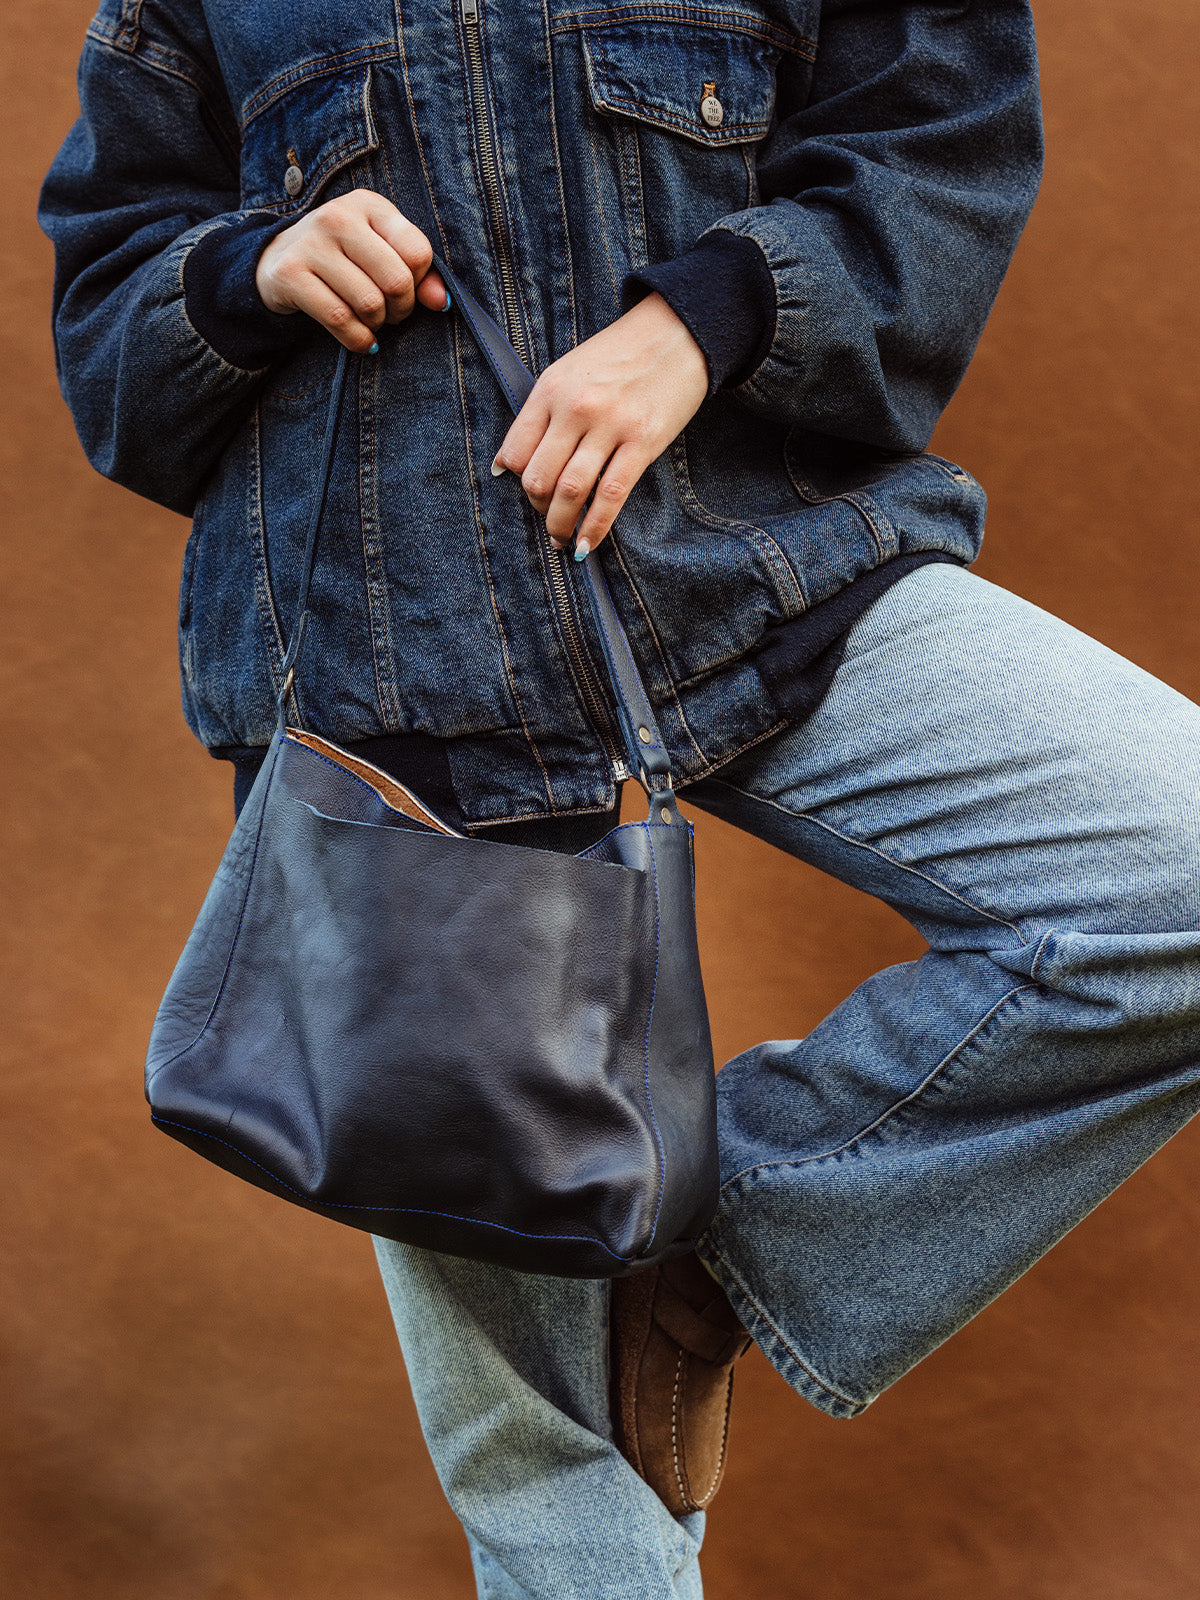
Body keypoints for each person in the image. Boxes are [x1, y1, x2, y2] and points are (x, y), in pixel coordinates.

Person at [38, 2, 1200, 1595]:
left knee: (1169, 878)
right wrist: (253, 272)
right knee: (546, 1450)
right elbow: (111, 331)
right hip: (400, 671)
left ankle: (709, 1252)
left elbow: (939, 151)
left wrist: (705, 321)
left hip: (765, 565)